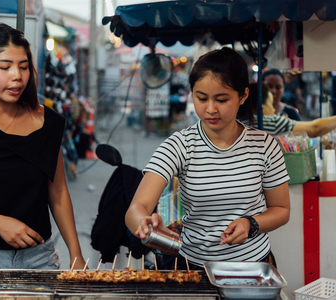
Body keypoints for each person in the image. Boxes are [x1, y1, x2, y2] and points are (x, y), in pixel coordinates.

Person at [125, 47, 291, 270]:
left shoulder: (265, 146)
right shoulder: (180, 145)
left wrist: (251, 224)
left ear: (243, 96)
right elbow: (137, 207)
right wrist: (143, 222)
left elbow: (281, 209)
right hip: (194, 267)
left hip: (252, 266)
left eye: (221, 100)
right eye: (201, 98)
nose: (210, 109)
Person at [0, 23, 85, 270]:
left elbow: (58, 194)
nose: (17, 76)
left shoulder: (48, 123)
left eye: (23, 67)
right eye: (5, 67)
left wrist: (76, 254)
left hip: (39, 258)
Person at [238, 82, 336, 137]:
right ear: (260, 107)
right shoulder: (268, 122)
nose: (274, 110)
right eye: (270, 104)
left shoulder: (239, 123)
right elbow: (315, 129)